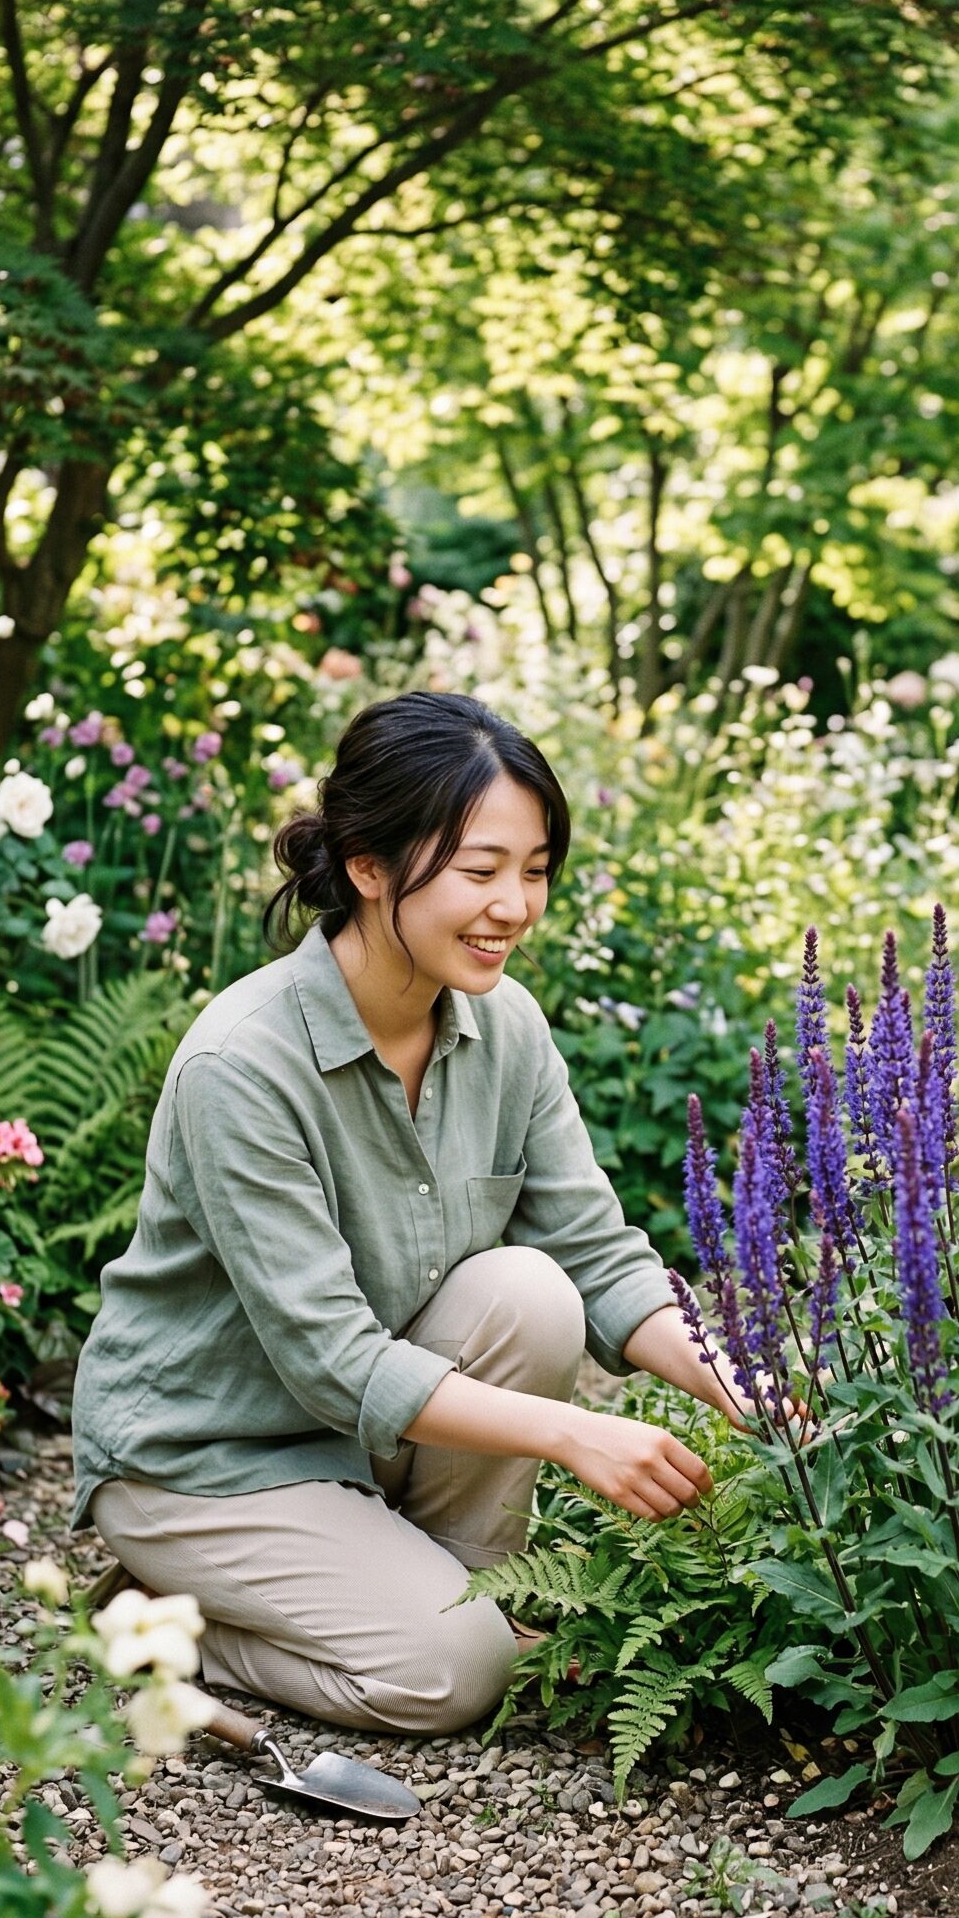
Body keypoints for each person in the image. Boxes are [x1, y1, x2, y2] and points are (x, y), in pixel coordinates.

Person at [71, 689, 749, 1735]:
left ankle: (435, 1588)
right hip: (207, 1457)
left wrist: (745, 1379)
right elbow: (332, 1357)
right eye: (479, 870)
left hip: (364, 1441)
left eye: (532, 871)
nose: (513, 906)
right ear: (367, 864)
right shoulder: (242, 1061)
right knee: (455, 1676)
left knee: (530, 1289)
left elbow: (599, 1255)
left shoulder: (504, 1026)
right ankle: (152, 1618)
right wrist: (577, 1433)